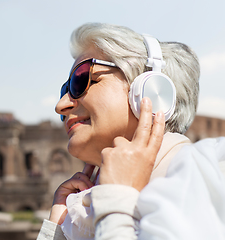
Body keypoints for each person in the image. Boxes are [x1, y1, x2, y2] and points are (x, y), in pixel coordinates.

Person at [36, 22, 225, 240]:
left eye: (81, 80)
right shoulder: (76, 213)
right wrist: (56, 230)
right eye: (64, 90)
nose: (60, 105)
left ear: (151, 90)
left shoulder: (210, 173)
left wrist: (118, 199)